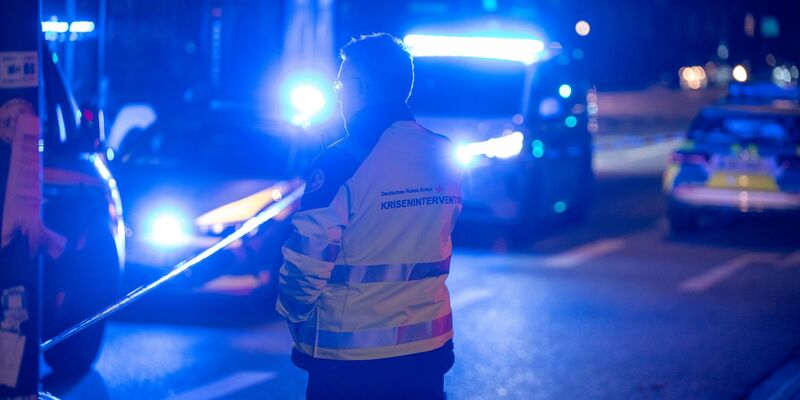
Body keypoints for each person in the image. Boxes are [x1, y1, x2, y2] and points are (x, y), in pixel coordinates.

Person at [276, 33, 463, 400]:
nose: (339, 95)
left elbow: (306, 260)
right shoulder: (443, 153)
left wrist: (295, 316)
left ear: (359, 88)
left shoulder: (340, 163)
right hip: (428, 351)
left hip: (350, 358)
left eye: (340, 84)